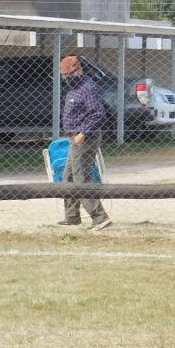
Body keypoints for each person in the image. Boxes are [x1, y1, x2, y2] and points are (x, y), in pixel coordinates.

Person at [55, 55, 111, 231]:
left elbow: (98, 114)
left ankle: (99, 217)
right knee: (69, 177)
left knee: (81, 178)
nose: (66, 79)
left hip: (85, 138)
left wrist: (84, 132)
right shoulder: (75, 88)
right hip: (74, 138)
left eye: (69, 75)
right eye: (64, 76)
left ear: (78, 70)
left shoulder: (87, 88)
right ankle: (72, 217)